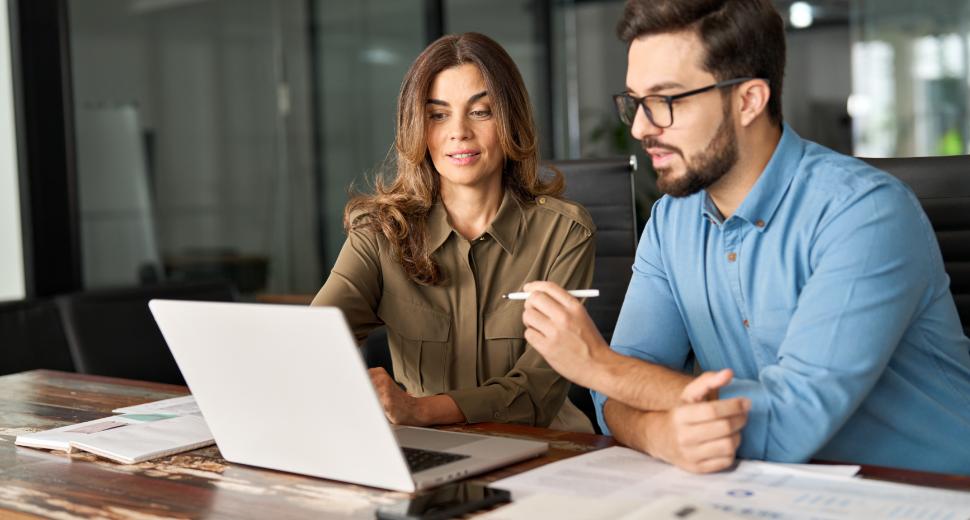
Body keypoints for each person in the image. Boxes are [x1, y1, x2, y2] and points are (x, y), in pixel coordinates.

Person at [520, 0, 970, 475]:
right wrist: (658, 434)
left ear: (749, 100)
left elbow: (788, 422)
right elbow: (615, 395)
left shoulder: (865, 213)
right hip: (770, 493)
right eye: (635, 102)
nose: (639, 127)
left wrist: (597, 364)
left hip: (927, 493)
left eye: (666, 102)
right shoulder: (672, 221)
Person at [312, 32, 595, 433]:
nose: (458, 132)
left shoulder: (563, 232)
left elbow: (538, 388)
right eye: (438, 114)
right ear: (417, 126)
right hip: (426, 450)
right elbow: (315, 341)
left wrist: (420, 411)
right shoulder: (378, 233)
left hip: (544, 448)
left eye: (480, 112)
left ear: (510, 119)